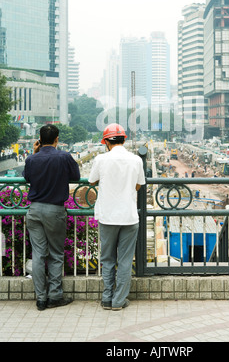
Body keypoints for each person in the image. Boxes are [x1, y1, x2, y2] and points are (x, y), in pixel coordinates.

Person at [23, 124, 80, 311]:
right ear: (57, 139)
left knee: (38, 254)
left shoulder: (32, 158)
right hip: (54, 210)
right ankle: (55, 296)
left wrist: (34, 152)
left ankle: (40, 299)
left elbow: (27, 177)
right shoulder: (63, 156)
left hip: (34, 210)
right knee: (55, 254)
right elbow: (76, 176)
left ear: (39, 139)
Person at [89, 123, 145, 311]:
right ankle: (119, 301)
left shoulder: (100, 159)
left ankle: (106, 298)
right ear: (124, 139)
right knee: (125, 260)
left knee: (107, 259)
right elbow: (139, 185)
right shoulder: (136, 160)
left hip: (107, 217)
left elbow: (92, 180)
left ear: (106, 141)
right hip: (129, 217)